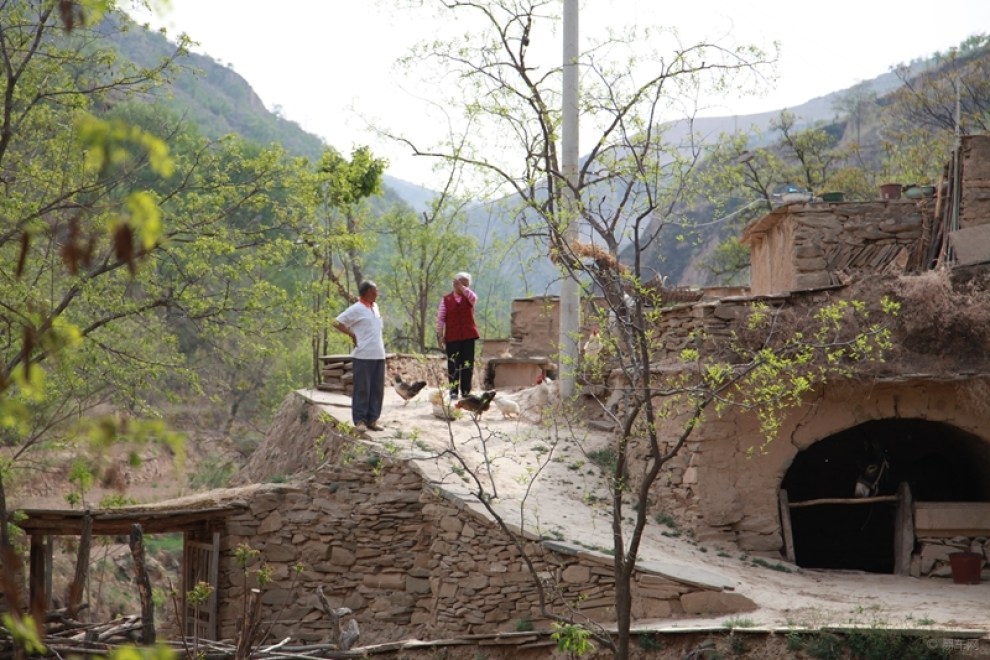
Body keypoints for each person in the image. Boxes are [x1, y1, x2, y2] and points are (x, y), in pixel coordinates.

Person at [333, 281, 386, 433]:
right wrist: (352, 334)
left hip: (378, 354)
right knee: (362, 388)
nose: (377, 293)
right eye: (375, 291)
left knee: (377, 390)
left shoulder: (375, 307)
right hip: (363, 355)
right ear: (368, 292)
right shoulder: (356, 308)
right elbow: (337, 322)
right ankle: (360, 420)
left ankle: (373, 419)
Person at [436, 272, 480, 400]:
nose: (463, 287)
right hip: (452, 337)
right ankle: (453, 391)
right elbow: (440, 319)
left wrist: (463, 288)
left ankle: (466, 391)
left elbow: (474, 297)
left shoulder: (469, 298)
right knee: (453, 364)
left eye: (466, 284)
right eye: (460, 284)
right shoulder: (446, 300)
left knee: (467, 364)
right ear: (454, 285)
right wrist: (440, 335)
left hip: (468, 336)